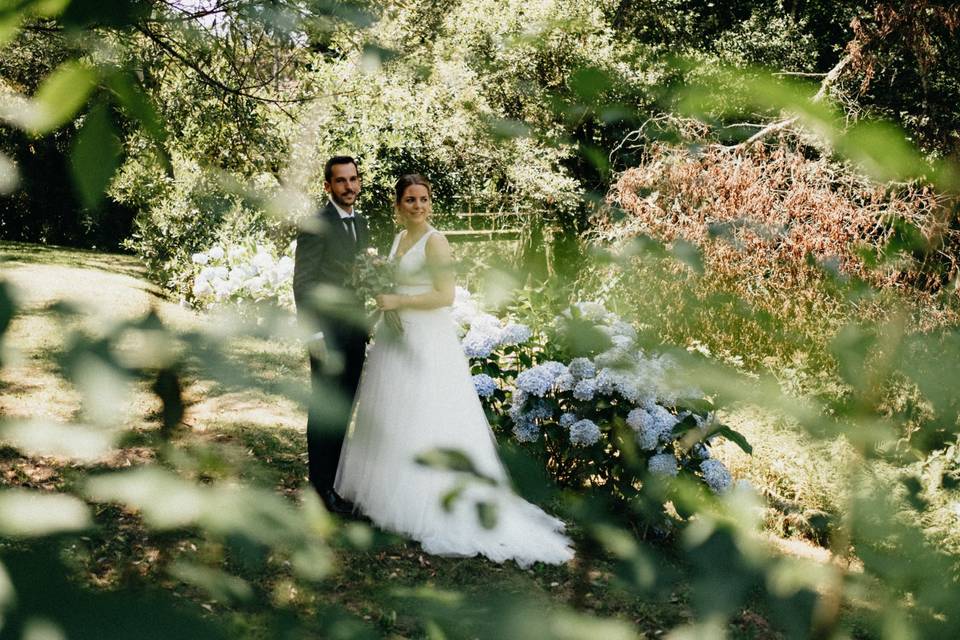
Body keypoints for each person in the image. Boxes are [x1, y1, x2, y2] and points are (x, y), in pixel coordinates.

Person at [334, 174, 573, 566]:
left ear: (430, 204)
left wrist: (397, 300)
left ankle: (431, 504)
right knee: (394, 413)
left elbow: (444, 296)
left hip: (426, 338)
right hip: (395, 338)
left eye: (423, 199)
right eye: (410, 200)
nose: (418, 206)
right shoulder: (398, 240)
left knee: (424, 413)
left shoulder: (436, 241)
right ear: (399, 205)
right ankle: (389, 498)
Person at [293, 155, 369, 514]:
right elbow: (303, 284)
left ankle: (332, 482)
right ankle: (319, 489)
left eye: (353, 179)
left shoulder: (361, 224)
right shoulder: (316, 224)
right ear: (328, 186)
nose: (349, 186)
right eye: (341, 181)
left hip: (355, 335)